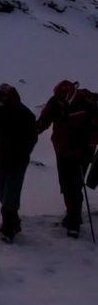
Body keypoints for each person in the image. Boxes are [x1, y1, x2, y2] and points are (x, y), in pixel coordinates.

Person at [37, 80, 98, 238]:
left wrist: (89, 147)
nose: (64, 99)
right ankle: (71, 213)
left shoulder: (86, 103)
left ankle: (74, 223)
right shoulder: (55, 102)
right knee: (66, 184)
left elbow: (95, 128)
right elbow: (43, 121)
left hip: (82, 152)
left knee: (75, 185)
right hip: (62, 151)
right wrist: (30, 133)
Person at [0, 84, 37, 243]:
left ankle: (8, 227)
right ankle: (14, 222)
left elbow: (31, 137)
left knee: (11, 193)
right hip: (1, 157)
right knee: (2, 190)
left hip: (18, 161)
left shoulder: (24, 115)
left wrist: (21, 154)